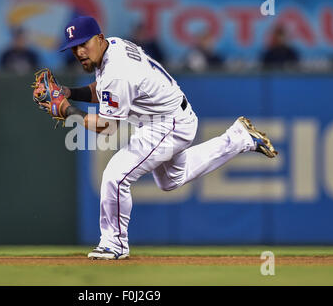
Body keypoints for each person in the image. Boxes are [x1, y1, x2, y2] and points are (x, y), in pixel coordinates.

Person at [35, 16, 278, 260]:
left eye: (83, 44)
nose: (79, 52)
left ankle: (114, 243)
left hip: (169, 124)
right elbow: (103, 90)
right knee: (171, 180)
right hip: (168, 117)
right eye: (73, 48)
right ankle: (239, 138)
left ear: (99, 39)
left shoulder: (117, 71)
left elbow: (107, 127)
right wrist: (67, 92)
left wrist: (66, 110)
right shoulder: (113, 47)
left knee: (115, 176)